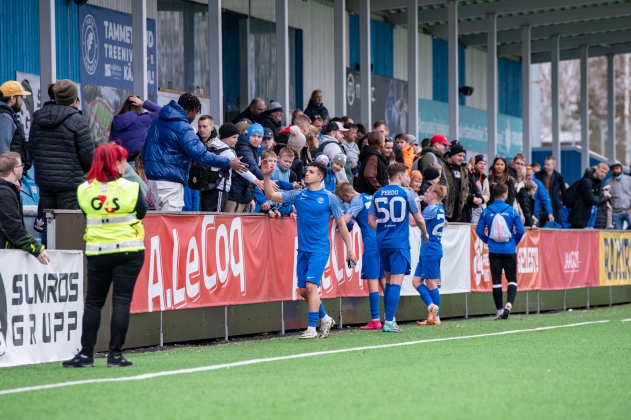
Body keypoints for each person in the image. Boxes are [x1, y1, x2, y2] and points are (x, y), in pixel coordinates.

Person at [63, 144, 147, 368]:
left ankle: (86, 355)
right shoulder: (130, 187)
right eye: (121, 160)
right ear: (114, 162)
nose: (123, 164)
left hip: (98, 251)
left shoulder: (84, 189)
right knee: (121, 302)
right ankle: (115, 356)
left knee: (93, 303)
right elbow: (142, 212)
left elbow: (86, 213)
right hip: (129, 251)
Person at [262, 160, 357, 339]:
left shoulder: (330, 198)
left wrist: (350, 249)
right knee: (303, 291)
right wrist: (266, 175)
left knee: (311, 286)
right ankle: (325, 318)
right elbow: (270, 194)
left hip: (319, 249)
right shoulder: (298, 195)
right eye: (307, 171)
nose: (306, 174)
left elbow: (342, 225)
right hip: (303, 250)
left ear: (320, 177)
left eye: (311, 172)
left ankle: (312, 329)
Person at [142, 92, 246, 211]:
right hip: (170, 180)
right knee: (171, 222)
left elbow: (146, 149)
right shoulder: (183, 127)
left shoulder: (157, 121)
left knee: (162, 221)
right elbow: (201, 154)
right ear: (188, 110)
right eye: (195, 112)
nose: (194, 117)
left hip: (154, 179)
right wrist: (228, 163)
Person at [29, 80, 94, 247]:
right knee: (68, 224)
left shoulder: (37, 118)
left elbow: (31, 148)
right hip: (70, 183)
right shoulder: (78, 121)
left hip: (45, 181)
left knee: (47, 224)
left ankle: (46, 261)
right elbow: (88, 156)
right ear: (74, 99)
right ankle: (67, 268)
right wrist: (83, 171)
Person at [368, 163, 429, 333]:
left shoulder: (377, 194)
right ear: (401, 176)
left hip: (382, 242)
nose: (408, 179)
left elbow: (371, 221)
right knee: (396, 282)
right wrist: (425, 233)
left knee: (388, 281)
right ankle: (388, 322)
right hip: (399, 243)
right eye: (407, 175)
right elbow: (419, 219)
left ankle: (390, 318)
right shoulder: (406, 193)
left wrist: (383, 230)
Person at [335, 182, 385, 330]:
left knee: (372, 281)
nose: (344, 202)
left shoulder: (357, 200)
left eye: (343, 200)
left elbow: (344, 220)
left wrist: (340, 218)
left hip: (371, 244)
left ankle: (375, 320)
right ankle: (390, 318)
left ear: (347, 195)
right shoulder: (370, 197)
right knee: (384, 281)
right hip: (383, 241)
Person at [476, 183, 524, 320]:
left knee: (496, 280)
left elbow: (479, 231)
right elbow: (520, 230)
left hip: (494, 250)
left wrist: (488, 241)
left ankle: (499, 310)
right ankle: (509, 304)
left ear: (492, 194)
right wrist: (513, 242)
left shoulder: (486, 211)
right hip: (509, 250)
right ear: (505, 194)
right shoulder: (512, 210)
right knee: (512, 279)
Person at [199, 123, 262, 212]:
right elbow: (241, 169)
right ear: (225, 137)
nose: (237, 140)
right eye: (234, 137)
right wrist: (256, 180)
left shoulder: (212, 145)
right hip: (220, 190)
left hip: (208, 189)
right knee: (216, 219)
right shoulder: (227, 151)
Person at [0, 152, 49, 264]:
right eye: (21, 165)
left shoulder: (7, 190)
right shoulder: (4, 194)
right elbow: (13, 228)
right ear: (15, 170)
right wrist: (36, 249)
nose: (23, 168)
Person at [411, 184, 446, 326]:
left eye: (428, 191)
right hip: (429, 250)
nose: (425, 193)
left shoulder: (431, 209)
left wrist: (410, 206)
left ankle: (435, 317)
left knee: (431, 283)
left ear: (433, 196)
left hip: (430, 250)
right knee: (416, 282)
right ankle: (432, 308)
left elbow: (413, 222)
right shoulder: (438, 209)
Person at [228, 123, 268, 213]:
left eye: (259, 136)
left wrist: (250, 198)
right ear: (248, 135)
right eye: (253, 136)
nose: (256, 139)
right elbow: (253, 168)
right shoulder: (244, 149)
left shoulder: (254, 148)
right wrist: (267, 179)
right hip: (234, 197)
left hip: (243, 196)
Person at [109, 95, 161, 162]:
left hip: (121, 163)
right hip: (138, 161)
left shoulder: (116, 122)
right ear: (138, 107)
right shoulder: (141, 120)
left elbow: (110, 144)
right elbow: (161, 111)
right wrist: (142, 103)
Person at [442, 143, 481, 222]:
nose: (462, 158)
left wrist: (475, 198)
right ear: (452, 155)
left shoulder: (463, 169)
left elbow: (466, 188)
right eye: (459, 155)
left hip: (459, 211)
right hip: (444, 209)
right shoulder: (443, 165)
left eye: (463, 156)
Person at [568, 164, 611, 229]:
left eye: (605, 173)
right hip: (579, 214)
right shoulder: (587, 181)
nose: (603, 175)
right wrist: (606, 198)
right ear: (596, 170)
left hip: (587, 214)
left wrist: (597, 198)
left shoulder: (598, 182)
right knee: (575, 234)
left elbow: (597, 197)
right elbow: (591, 200)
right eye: (601, 171)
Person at [0, 81, 31, 168]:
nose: (22, 100)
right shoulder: (5, 117)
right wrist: (8, 173)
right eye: (21, 97)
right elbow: (3, 150)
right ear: (13, 98)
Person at [535, 156, 566, 222]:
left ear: (553, 165)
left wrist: (561, 201)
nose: (545, 166)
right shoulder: (538, 175)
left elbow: (564, 191)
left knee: (554, 225)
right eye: (544, 164)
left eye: (548, 164)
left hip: (554, 204)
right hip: (540, 204)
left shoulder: (559, 177)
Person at [605, 161, 631, 230]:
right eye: (613, 169)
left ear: (621, 169)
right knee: (617, 233)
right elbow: (607, 197)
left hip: (628, 210)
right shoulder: (608, 182)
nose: (615, 170)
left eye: (617, 168)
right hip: (616, 213)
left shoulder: (629, 179)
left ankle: (626, 236)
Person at [470, 154, 490, 224]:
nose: (483, 165)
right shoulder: (470, 175)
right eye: (480, 163)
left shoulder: (485, 178)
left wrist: (481, 199)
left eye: (485, 164)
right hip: (471, 207)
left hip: (481, 208)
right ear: (475, 164)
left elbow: (487, 195)